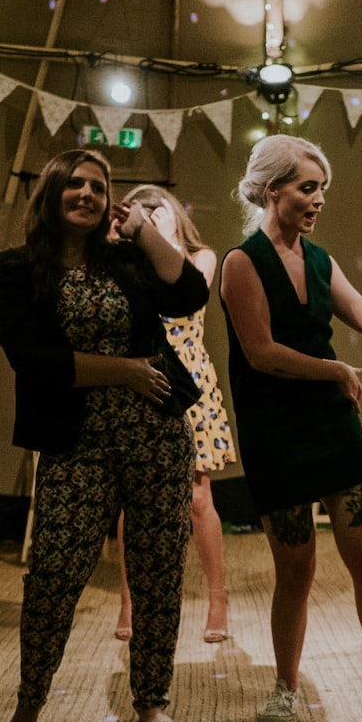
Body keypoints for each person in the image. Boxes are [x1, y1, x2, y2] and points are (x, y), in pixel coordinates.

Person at [0, 149, 209, 722]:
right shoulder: (13, 268)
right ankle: (30, 701)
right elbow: (33, 361)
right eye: (75, 184)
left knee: (158, 569)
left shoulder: (127, 261)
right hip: (74, 440)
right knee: (55, 570)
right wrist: (125, 371)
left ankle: (151, 698)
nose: (87, 194)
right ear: (53, 191)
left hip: (155, 436)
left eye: (98, 186)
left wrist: (140, 228)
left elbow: (190, 294)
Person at [218, 134, 362, 722]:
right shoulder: (242, 262)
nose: (318, 200)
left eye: (323, 191)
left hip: (330, 423)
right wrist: (334, 368)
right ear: (271, 189)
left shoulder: (320, 258)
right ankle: (285, 687)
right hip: (276, 427)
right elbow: (259, 353)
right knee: (297, 569)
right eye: (308, 188)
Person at [110, 184, 238, 644]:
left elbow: (192, 293)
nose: (147, 220)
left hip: (191, 383)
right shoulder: (127, 262)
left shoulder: (201, 256)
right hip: (144, 375)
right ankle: (127, 598)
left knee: (199, 498)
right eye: (140, 216)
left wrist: (162, 238)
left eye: (156, 213)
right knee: (132, 500)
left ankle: (218, 597)